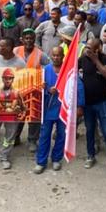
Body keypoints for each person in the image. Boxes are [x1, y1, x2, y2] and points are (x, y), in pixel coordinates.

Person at [78, 37, 106, 175]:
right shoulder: (82, 59)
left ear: (97, 49)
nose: (87, 50)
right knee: (90, 131)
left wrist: (95, 60)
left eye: (90, 48)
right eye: (86, 47)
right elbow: (72, 72)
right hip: (87, 103)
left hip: (102, 102)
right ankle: (90, 156)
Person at [34, 45, 66, 174]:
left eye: (58, 55)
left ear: (63, 56)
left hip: (63, 109)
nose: (56, 57)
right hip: (48, 108)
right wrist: (46, 89)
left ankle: (56, 159)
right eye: (54, 55)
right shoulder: (45, 70)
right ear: (51, 56)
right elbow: (39, 88)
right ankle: (41, 161)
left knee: (61, 135)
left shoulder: (67, 69)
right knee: (45, 135)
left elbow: (74, 87)